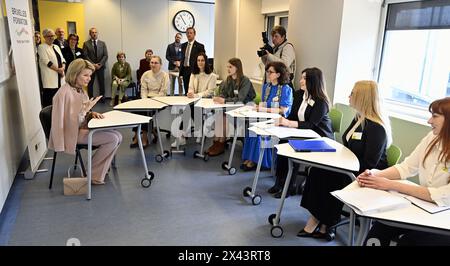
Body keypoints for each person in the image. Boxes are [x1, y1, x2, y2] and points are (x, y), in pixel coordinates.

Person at [298, 80, 392, 240]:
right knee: (317, 170)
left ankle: (325, 222)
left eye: (352, 93)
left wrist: (341, 166)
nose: (349, 96)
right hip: (350, 165)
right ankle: (320, 218)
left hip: (368, 173)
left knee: (330, 177)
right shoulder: (359, 119)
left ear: (362, 98)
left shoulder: (376, 127)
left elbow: (370, 163)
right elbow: (349, 147)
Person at [360, 97, 450, 246]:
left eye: (435, 116)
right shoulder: (432, 138)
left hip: (445, 220)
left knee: (409, 242)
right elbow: (407, 167)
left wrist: (391, 185)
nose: (429, 121)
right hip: (425, 208)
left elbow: (444, 196)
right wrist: (374, 175)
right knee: (381, 227)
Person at [48, 59, 122, 185]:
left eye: (90, 75)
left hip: (82, 129)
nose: (88, 79)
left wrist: (90, 113)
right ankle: (92, 173)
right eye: (85, 75)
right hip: (72, 134)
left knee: (118, 136)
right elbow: (60, 122)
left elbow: (80, 113)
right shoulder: (63, 93)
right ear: (75, 74)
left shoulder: (80, 89)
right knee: (113, 139)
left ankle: (96, 169)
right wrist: (83, 113)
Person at [270, 67, 334, 198]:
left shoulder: (321, 102)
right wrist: (282, 122)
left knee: (293, 148)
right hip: (301, 132)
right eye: (301, 78)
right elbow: (293, 115)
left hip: (318, 137)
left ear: (313, 81)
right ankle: (279, 181)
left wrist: (288, 123)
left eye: (304, 78)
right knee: (282, 144)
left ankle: (289, 186)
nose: (300, 81)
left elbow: (311, 125)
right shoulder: (299, 94)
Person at [241, 61, 293, 171]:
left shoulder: (286, 89)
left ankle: (257, 161)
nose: (268, 74)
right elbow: (265, 103)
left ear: (278, 74)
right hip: (265, 117)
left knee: (259, 131)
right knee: (251, 128)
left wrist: (263, 109)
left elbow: (283, 111)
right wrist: (257, 107)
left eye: (271, 72)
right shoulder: (266, 87)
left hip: (279, 121)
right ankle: (250, 158)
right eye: (267, 71)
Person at [206, 58, 256, 156]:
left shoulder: (245, 80)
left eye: (230, 67)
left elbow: (241, 98)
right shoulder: (228, 79)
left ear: (237, 68)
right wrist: (219, 97)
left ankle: (221, 143)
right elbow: (223, 93)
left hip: (245, 107)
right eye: (227, 67)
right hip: (233, 106)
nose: (228, 69)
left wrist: (224, 100)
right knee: (219, 115)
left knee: (224, 117)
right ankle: (216, 142)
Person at [174, 53, 217, 147]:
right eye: (198, 60)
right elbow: (190, 87)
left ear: (206, 62)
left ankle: (183, 136)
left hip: (206, 101)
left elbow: (210, 92)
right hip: (194, 100)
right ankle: (188, 134)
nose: (200, 62)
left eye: (202, 60)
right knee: (190, 108)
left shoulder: (212, 76)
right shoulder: (193, 74)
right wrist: (190, 92)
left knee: (190, 109)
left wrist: (196, 95)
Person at [130, 55, 169, 148]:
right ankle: (136, 135)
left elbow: (163, 92)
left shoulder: (164, 75)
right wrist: (144, 100)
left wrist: (152, 100)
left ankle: (144, 137)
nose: (153, 64)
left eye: (156, 63)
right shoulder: (146, 74)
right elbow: (143, 89)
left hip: (159, 101)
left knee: (145, 112)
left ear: (160, 64)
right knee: (136, 110)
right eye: (152, 62)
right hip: (146, 99)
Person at [37, 28, 66, 107]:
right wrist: (58, 70)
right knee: (50, 103)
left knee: (59, 102)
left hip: (60, 78)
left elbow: (63, 59)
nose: (51, 37)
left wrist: (63, 68)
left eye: (53, 35)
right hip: (50, 80)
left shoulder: (56, 46)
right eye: (49, 36)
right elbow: (46, 61)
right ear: (44, 37)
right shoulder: (41, 47)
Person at [83, 27, 108, 99]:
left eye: (95, 32)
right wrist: (93, 64)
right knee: (90, 83)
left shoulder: (102, 43)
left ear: (97, 33)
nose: (94, 34)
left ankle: (102, 97)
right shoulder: (86, 44)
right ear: (90, 34)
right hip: (90, 67)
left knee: (101, 83)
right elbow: (85, 56)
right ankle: (90, 98)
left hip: (100, 67)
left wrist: (100, 64)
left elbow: (105, 55)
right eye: (92, 32)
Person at [180, 27, 205, 96]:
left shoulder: (200, 46)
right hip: (185, 70)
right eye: (187, 33)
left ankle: (193, 106)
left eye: (191, 33)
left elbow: (203, 59)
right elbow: (182, 58)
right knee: (186, 91)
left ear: (194, 34)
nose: (189, 34)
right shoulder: (183, 45)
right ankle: (187, 106)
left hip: (194, 70)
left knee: (193, 91)